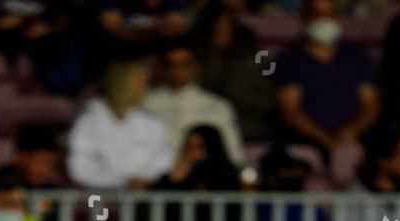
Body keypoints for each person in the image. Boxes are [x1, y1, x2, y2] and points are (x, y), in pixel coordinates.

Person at [274, 0, 380, 152]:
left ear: (339, 18)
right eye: (316, 14)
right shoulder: (289, 60)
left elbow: (370, 105)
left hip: (354, 139)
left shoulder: (357, 57)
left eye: (329, 14)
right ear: (304, 18)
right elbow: (290, 109)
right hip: (306, 141)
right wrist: (323, 138)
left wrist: (352, 131)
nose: (323, 20)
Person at [66, 61, 175, 190]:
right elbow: (78, 164)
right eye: (139, 81)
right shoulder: (91, 116)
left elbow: (164, 158)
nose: (145, 86)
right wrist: (120, 181)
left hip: (142, 196)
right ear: (123, 83)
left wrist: (144, 178)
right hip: (98, 197)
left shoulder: (149, 120)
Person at [142, 44, 244, 167]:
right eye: (171, 64)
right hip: (157, 179)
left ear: (196, 66)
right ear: (163, 67)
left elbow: (233, 154)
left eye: (184, 64)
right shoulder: (146, 104)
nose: (177, 71)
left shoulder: (218, 106)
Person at [195, 0, 275, 145]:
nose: (223, 28)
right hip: (211, 125)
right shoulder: (199, 56)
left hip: (252, 125)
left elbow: (266, 98)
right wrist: (215, 51)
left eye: (228, 23)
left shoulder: (254, 55)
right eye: (216, 25)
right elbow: (202, 90)